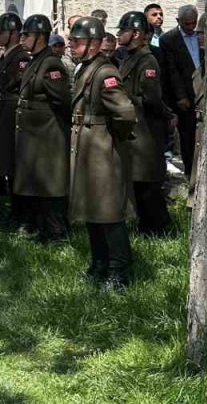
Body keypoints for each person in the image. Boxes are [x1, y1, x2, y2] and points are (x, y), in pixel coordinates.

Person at [66, 17, 137, 288]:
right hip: (88, 148)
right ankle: (99, 263)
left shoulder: (105, 72)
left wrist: (111, 139)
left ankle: (119, 272)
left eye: (78, 41)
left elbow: (126, 112)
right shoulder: (86, 68)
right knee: (92, 211)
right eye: (71, 41)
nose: (71, 45)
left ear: (94, 44)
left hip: (102, 150)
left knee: (108, 214)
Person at [14, 14, 72, 243]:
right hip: (35, 135)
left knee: (51, 186)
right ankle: (42, 228)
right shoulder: (36, 60)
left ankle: (57, 234)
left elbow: (62, 101)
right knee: (39, 184)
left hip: (48, 134)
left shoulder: (51, 64)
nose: (22, 39)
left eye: (26, 35)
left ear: (40, 37)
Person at [115, 11, 171, 237]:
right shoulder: (128, 57)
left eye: (124, 30)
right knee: (138, 184)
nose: (119, 34)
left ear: (137, 33)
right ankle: (145, 226)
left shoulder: (147, 60)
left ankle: (157, 229)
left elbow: (151, 99)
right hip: (134, 129)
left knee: (148, 185)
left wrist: (127, 101)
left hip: (145, 131)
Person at [0, 13, 29, 226]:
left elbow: (18, 85)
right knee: (8, 165)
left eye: (1, 32)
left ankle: (21, 213)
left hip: (12, 113)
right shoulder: (7, 56)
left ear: (13, 34)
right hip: (3, 113)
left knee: (15, 167)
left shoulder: (21, 57)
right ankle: (16, 211)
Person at [159, 4, 203, 176]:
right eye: (187, 24)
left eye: (193, 23)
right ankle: (190, 174)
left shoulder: (203, 35)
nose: (191, 27)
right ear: (178, 21)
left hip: (203, 94)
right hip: (184, 98)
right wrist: (180, 97)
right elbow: (171, 72)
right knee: (188, 138)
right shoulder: (168, 39)